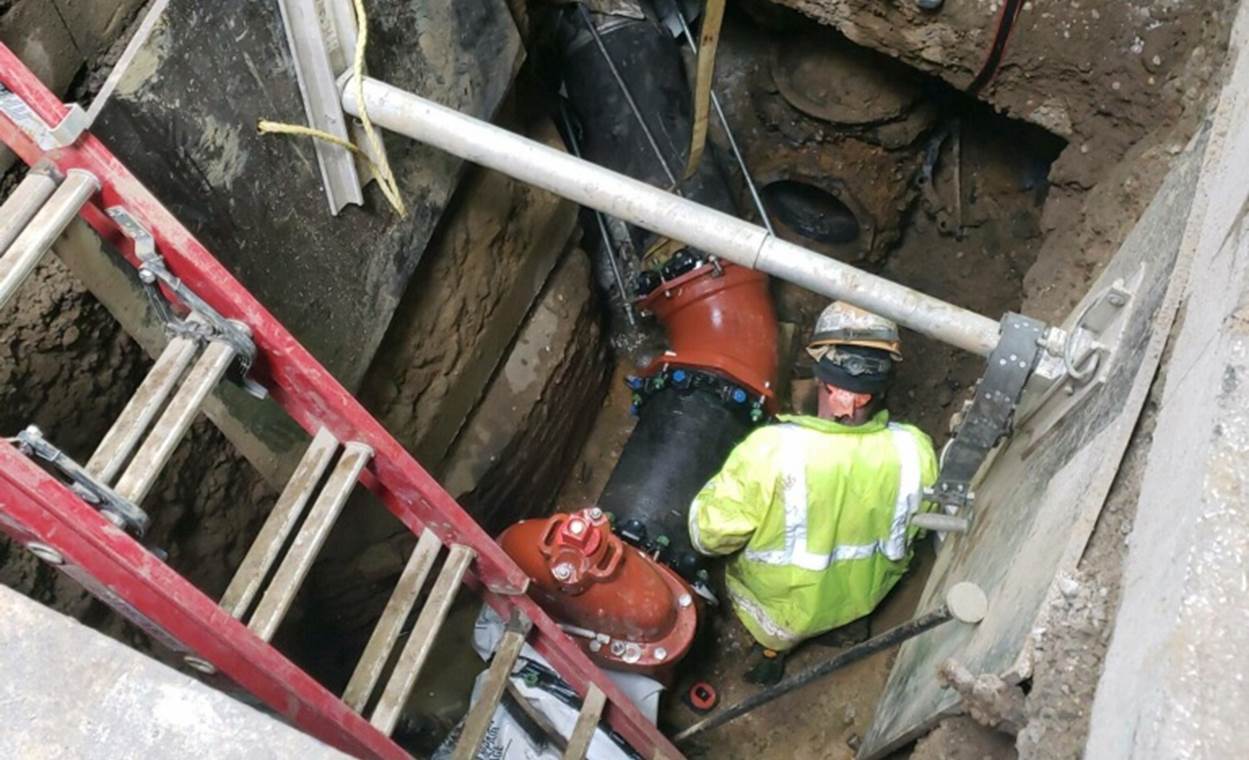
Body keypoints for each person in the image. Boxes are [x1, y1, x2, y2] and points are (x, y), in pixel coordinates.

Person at [688, 302, 939, 684]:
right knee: (844, 608)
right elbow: (917, 529)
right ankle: (844, 629)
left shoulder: (769, 452)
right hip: (861, 599)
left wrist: (708, 492)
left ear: (823, 378)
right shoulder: (915, 451)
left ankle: (771, 656)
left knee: (777, 630)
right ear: (879, 387)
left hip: (778, 612)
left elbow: (708, 537)